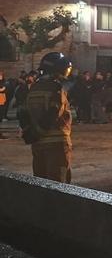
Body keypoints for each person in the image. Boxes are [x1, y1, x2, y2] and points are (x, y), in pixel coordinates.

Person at [18, 52, 74, 183]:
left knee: (41, 183)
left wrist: (30, 134)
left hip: (37, 144)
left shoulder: (33, 88)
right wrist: (40, 132)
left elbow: (22, 113)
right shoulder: (57, 88)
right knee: (60, 186)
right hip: (57, 144)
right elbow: (54, 114)